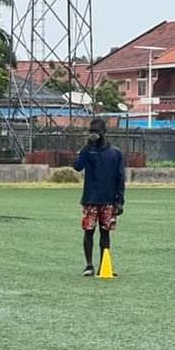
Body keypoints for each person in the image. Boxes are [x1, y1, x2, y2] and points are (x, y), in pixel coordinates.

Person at [73, 117, 125, 276]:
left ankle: (105, 264)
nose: (94, 135)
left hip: (108, 200)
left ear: (104, 133)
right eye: (91, 132)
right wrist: (87, 147)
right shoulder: (88, 151)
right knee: (88, 231)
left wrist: (120, 201)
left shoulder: (115, 153)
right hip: (90, 199)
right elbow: (77, 166)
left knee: (105, 232)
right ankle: (89, 265)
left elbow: (120, 178)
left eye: (97, 132)